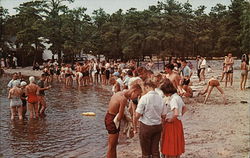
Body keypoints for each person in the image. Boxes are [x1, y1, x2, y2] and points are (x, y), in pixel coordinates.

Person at [105, 84, 142, 158]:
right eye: (137, 94)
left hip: (108, 116)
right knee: (111, 146)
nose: (136, 97)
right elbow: (119, 117)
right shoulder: (123, 99)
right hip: (112, 120)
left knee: (113, 145)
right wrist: (128, 120)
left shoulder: (119, 93)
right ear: (133, 91)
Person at [135, 79, 167, 158]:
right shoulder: (161, 98)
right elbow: (163, 115)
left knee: (146, 151)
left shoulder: (144, 98)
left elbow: (137, 115)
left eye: (145, 88)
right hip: (157, 125)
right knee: (155, 149)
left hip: (146, 125)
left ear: (147, 87)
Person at [160, 79, 187, 158]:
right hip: (178, 122)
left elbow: (175, 112)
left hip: (172, 124)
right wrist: (179, 116)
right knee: (176, 146)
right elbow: (184, 108)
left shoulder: (173, 99)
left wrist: (172, 119)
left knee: (170, 147)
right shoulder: (177, 97)